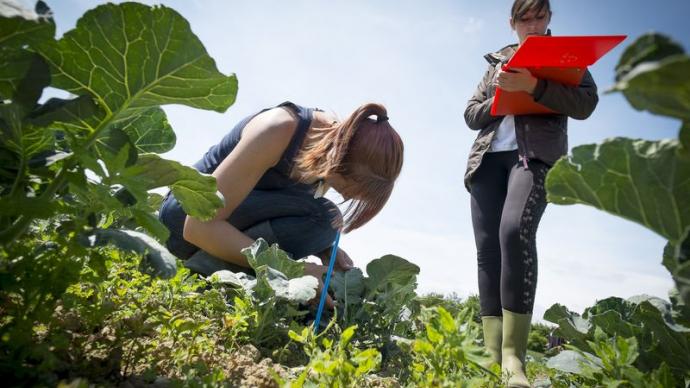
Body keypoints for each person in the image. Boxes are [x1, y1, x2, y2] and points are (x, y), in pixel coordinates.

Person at [463, 1, 598, 386]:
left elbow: (586, 103)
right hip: (487, 160)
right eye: (525, 19)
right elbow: (471, 113)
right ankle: (490, 355)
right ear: (513, 24)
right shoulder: (495, 61)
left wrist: (534, 87)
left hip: (534, 158)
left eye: (540, 17)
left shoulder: (565, 56)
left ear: (549, 19)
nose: (533, 24)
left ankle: (513, 358)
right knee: (488, 249)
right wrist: (502, 94)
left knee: (513, 232)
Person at [159, 101, 404, 308]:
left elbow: (283, 204)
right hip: (182, 219)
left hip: (221, 223)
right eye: (353, 188)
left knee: (325, 224)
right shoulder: (277, 129)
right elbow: (198, 226)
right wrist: (293, 271)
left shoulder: (331, 149)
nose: (350, 198)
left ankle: (235, 276)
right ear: (339, 158)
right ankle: (204, 272)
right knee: (325, 217)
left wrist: (325, 250)